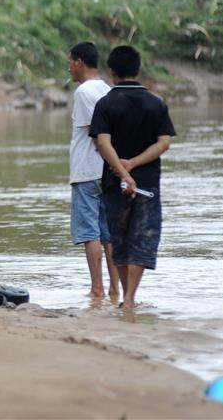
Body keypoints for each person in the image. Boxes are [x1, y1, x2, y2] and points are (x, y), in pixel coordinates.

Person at [89, 45, 176, 309]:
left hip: (115, 183)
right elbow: (164, 143)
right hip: (148, 183)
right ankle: (129, 298)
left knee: (119, 238)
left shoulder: (105, 104)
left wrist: (124, 173)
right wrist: (135, 165)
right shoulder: (156, 103)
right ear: (138, 70)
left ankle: (127, 297)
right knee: (143, 238)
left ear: (112, 72)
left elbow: (103, 144)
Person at [67, 42, 119, 299]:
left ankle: (96, 288)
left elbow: (97, 132)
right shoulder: (107, 90)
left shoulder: (84, 92)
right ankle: (114, 289)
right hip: (107, 171)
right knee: (108, 234)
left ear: (79, 62)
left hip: (87, 171)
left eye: (70, 63)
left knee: (90, 233)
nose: (69, 69)